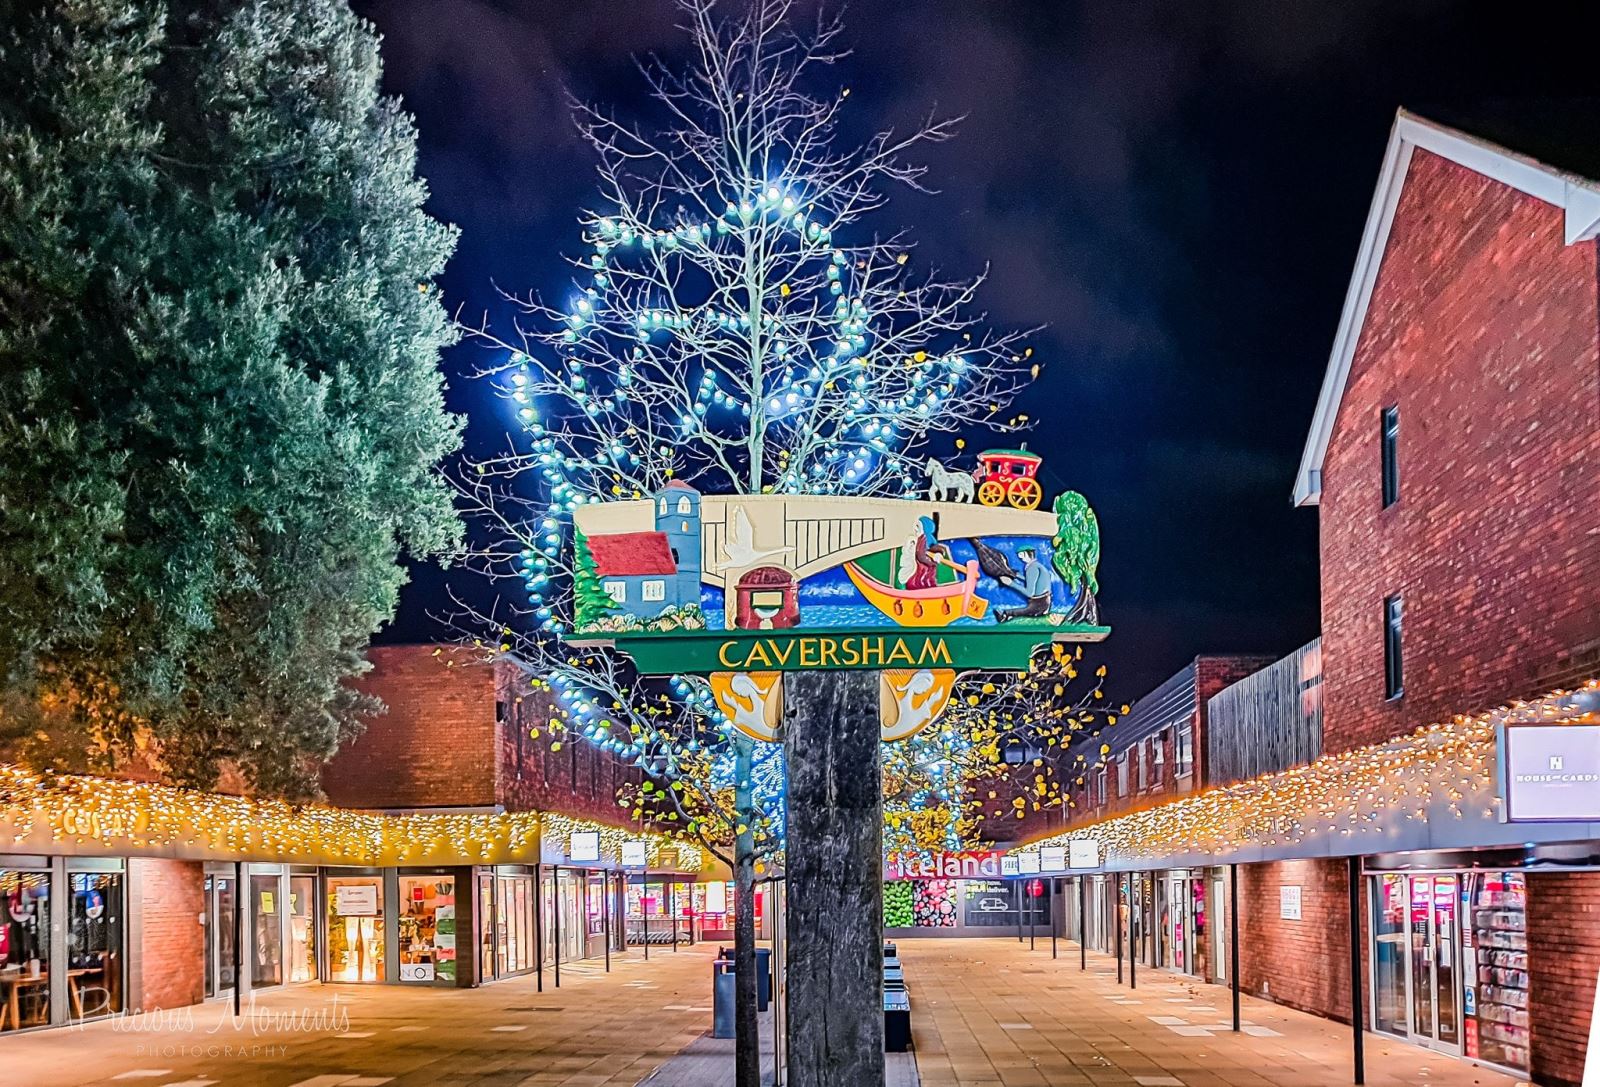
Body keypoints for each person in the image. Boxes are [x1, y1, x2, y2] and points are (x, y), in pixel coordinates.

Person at [996, 545, 1052, 622]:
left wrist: (1011, 583)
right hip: (1045, 601)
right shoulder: (1037, 565)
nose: (1019, 557)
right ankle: (1008, 616)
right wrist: (1017, 576)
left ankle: (1005, 615)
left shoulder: (1032, 568)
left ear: (1026, 553)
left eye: (1020, 554)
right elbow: (1033, 581)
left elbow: (1029, 593)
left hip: (1039, 604)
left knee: (1019, 611)